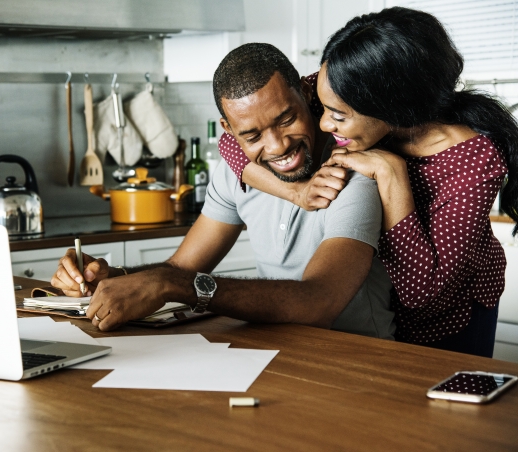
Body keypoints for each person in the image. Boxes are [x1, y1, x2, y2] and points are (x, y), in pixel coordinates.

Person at [217, 7, 518, 357]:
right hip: (378, 309)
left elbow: (423, 294)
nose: (325, 124)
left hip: (449, 320)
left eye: (339, 116)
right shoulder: (340, 84)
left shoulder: (472, 160)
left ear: (392, 107)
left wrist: (392, 174)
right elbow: (233, 142)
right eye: (324, 109)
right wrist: (296, 192)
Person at [51, 43, 395, 339]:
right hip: (285, 353)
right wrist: (112, 279)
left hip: (361, 359)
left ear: (307, 94)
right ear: (229, 131)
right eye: (252, 135)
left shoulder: (352, 172)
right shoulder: (234, 176)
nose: (277, 146)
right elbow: (180, 268)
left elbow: (319, 302)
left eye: (286, 120)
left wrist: (175, 285)